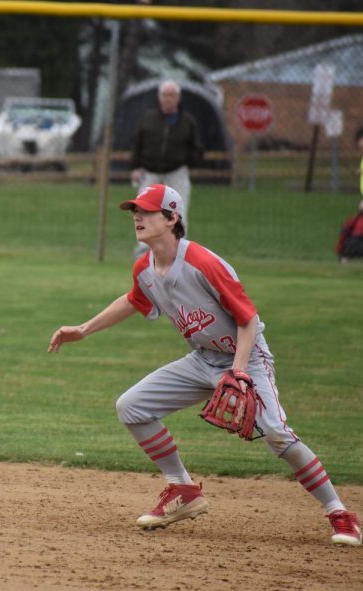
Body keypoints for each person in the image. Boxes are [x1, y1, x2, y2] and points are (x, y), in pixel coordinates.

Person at [47, 184, 361, 547]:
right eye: (136, 210)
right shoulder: (145, 268)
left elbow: (248, 319)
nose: (138, 216)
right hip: (202, 359)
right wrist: (84, 330)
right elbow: (136, 299)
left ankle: (341, 514)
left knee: (276, 433)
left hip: (246, 357)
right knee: (132, 406)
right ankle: (182, 488)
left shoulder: (202, 263)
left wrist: (239, 371)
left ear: (172, 217)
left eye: (148, 211)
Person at [129, 80, 203, 255]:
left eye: (171, 95)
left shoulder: (187, 122)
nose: (168, 99)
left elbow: (197, 147)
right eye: (164, 95)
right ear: (159, 98)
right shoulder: (148, 119)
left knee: (177, 209)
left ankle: (179, 248)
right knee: (145, 209)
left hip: (176, 172)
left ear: (177, 98)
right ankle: (144, 248)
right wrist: (136, 167)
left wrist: (188, 162)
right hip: (151, 172)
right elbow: (136, 143)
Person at [335, 199, 363, 263]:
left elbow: (344, 233)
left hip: (353, 243)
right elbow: (344, 232)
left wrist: (340, 247)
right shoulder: (353, 220)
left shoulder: (353, 220)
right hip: (354, 242)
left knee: (345, 255)